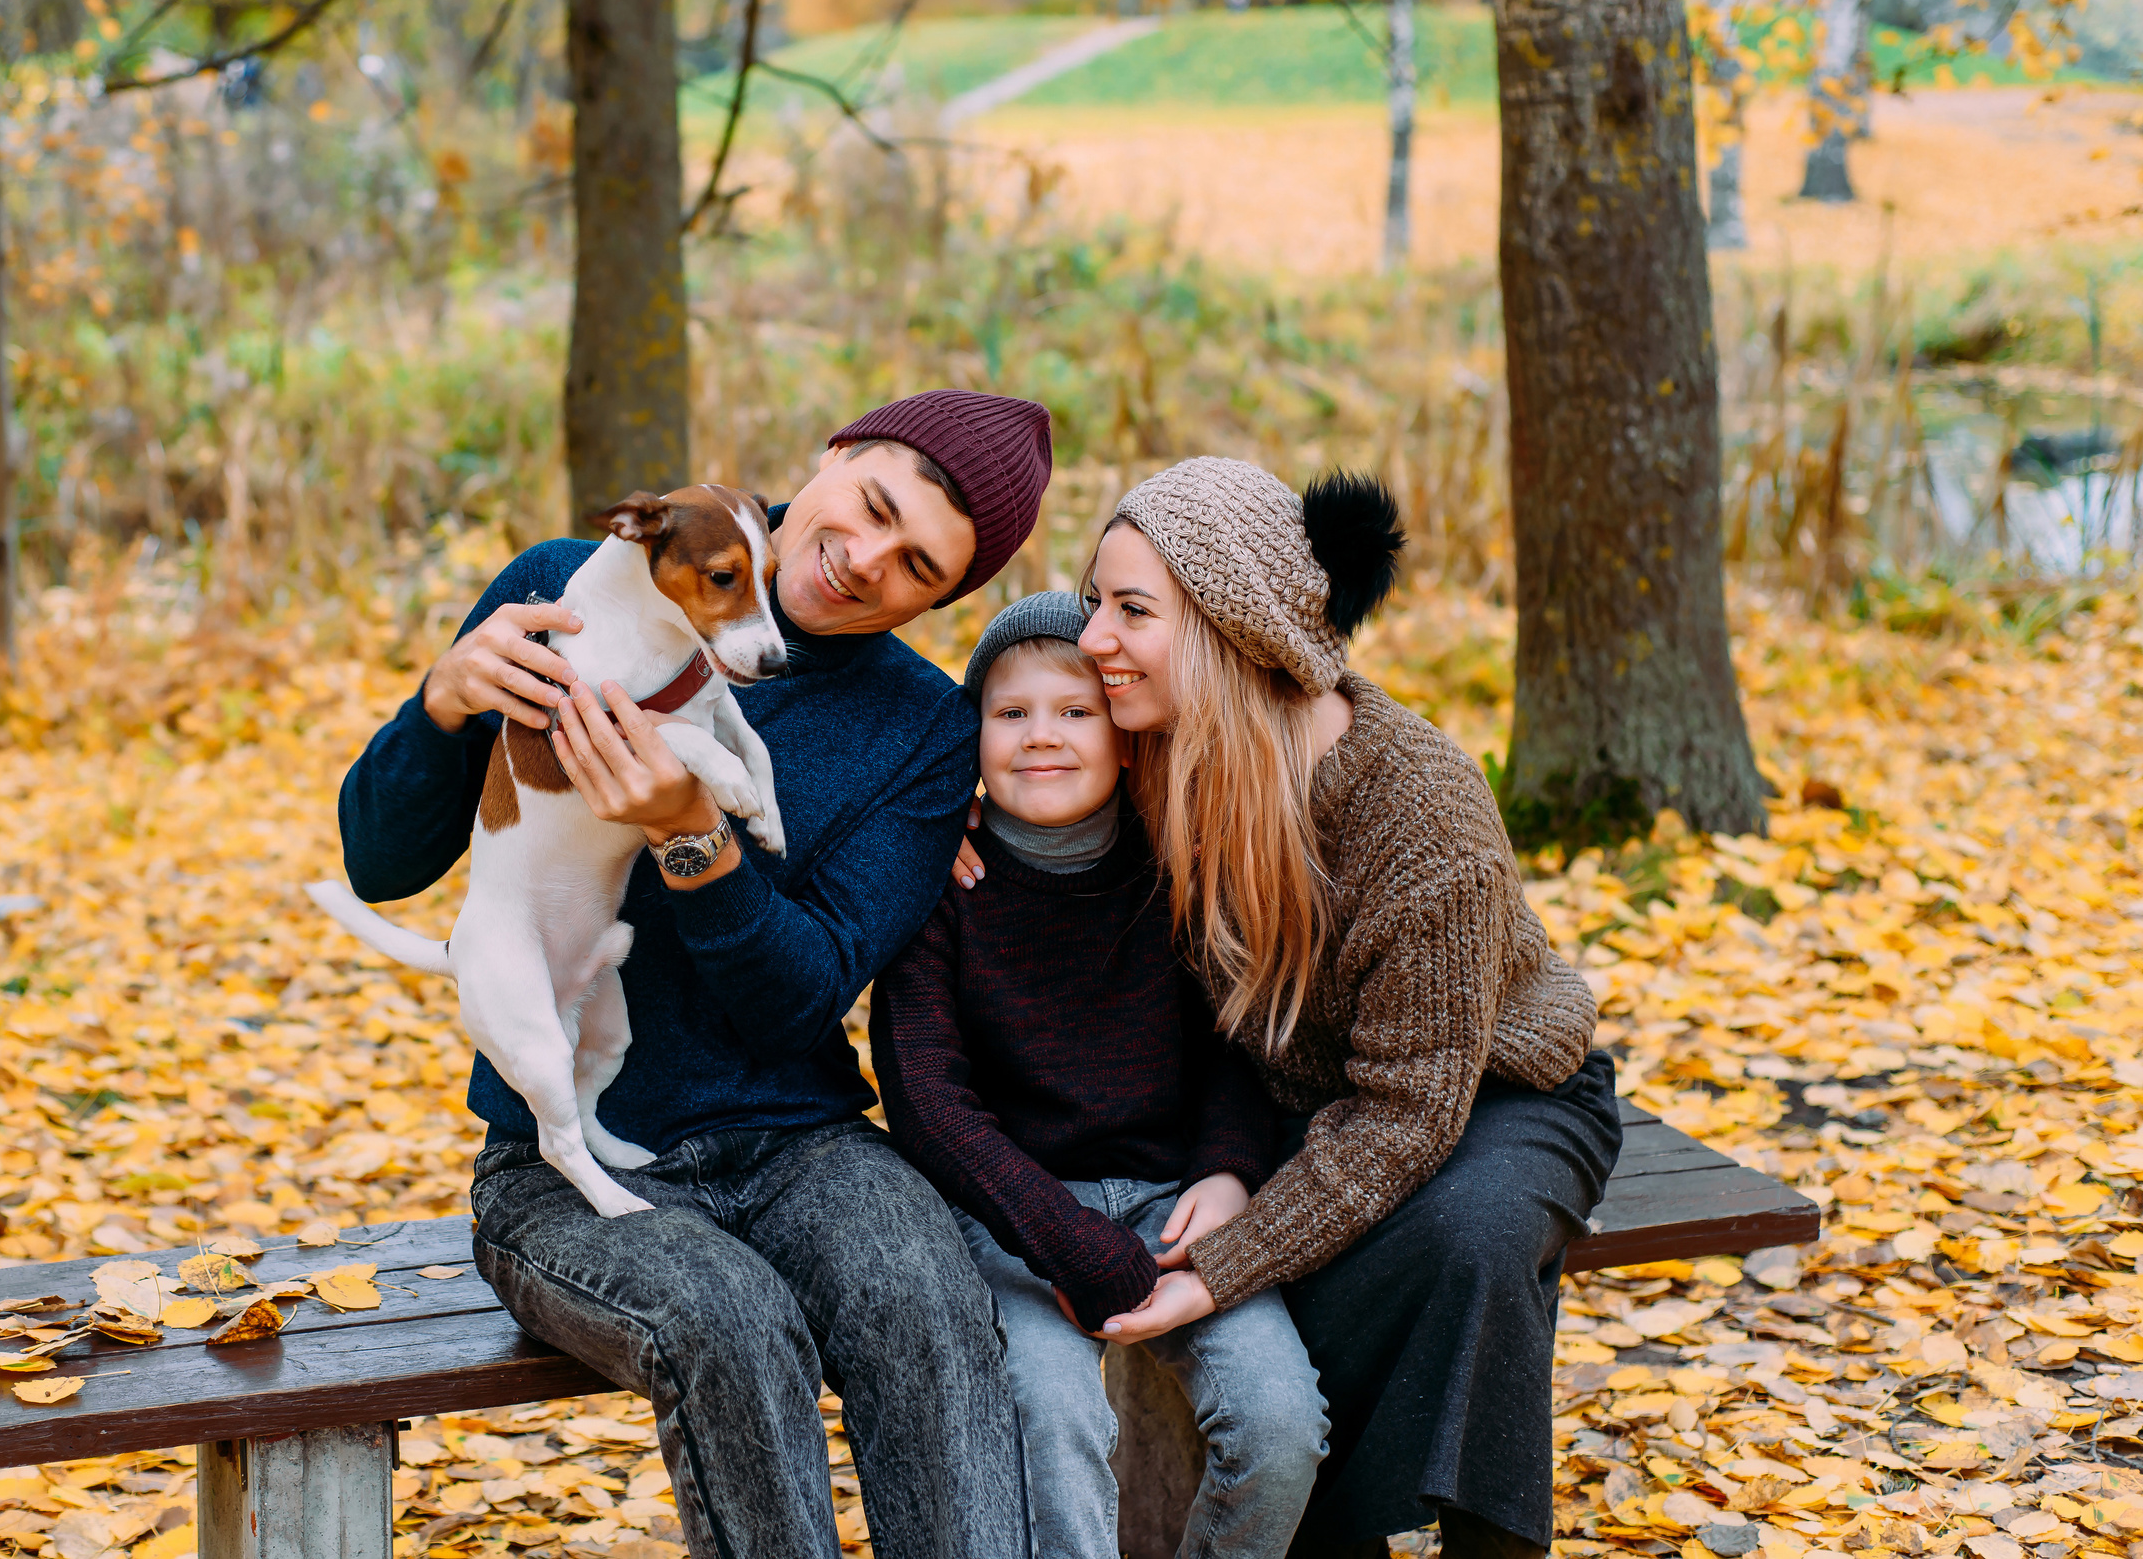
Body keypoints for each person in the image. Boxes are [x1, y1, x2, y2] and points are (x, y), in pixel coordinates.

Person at [336, 390, 1053, 1559]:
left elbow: (799, 995)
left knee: (923, 1297)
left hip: (801, 1142)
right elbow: (377, 859)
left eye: (917, 562)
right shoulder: (566, 591)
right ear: (828, 457)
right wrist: (444, 696)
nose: (865, 557)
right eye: (870, 505)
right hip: (564, 1165)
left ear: (941, 599)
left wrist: (692, 840)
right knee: (729, 1322)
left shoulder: (922, 728)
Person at [1033, 456, 1621, 1559]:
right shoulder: (1155, 753)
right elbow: (1017, 741)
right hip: (1298, 1103)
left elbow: (1406, 1112)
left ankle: (1481, 1539)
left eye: (1131, 609)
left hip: (1493, 1086)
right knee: (1331, 1244)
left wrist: (1217, 1268)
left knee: (1464, 1237)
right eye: (1095, 601)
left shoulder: (1417, 811)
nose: (1093, 638)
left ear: (1232, 628)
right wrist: (985, 846)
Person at [873, 591, 1328, 1559]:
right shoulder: (937, 888)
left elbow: (1230, 1042)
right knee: (1053, 1418)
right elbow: (925, 1098)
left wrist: (1227, 1169)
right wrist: (1063, 1237)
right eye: (1011, 713)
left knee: (1280, 1424)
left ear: (1123, 738)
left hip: (1174, 1203)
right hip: (1012, 1219)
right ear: (973, 737)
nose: (1042, 736)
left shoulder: (1175, 867)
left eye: (1075, 711)